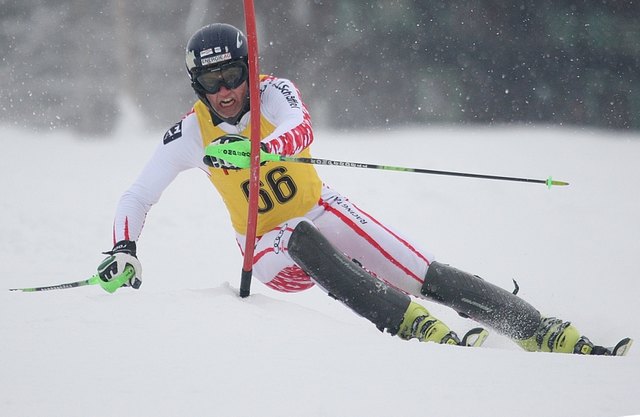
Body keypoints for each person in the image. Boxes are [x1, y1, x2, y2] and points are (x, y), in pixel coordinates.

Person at [97, 23, 630, 355]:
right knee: (297, 237)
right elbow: (137, 196)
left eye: (233, 75)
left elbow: (302, 128)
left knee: (420, 269)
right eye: (212, 84)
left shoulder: (274, 92)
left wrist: (266, 150)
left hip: (321, 208)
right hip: (263, 247)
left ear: (248, 69)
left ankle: (538, 330)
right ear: (198, 87)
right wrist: (124, 249)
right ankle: (416, 329)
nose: (227, 91)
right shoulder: (190, 133)